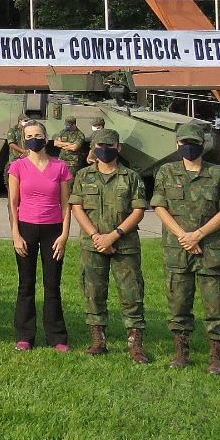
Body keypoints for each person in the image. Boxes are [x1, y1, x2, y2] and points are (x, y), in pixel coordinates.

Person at [151, 123, 220, 375]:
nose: (188, 147)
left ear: (203, 145)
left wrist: (198, 235)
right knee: (178, 302)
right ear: (177, 145)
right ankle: (181, 352)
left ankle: (216, 357)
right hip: (177, 249)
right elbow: (159, 206)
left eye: (194, 143)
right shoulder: (166, 172)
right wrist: (183, 236)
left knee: (217, 304)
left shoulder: (217, 174)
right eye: (183, 142)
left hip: (211, 248)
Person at [70, 128, 150, 363]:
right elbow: (77, 207)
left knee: (131, 293)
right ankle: (98, 340)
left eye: (109, 146)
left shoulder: (131, 177)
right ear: (93, 148)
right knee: (93, 292)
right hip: (92, 244)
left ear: (119, 148)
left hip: (124, 245)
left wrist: (112, 236)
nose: (104, 150)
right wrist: (96, 235)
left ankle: (135, 344)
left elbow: (138, 210)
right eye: (100, 146)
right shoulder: (84, 176)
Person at [8, 119, 72, 352]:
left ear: (46, 138)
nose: (34, 139)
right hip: (25, 228)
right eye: (29, 135)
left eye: (38, 135)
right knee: (26, 284)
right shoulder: (17, 167)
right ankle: (25, 335)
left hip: (53, 230)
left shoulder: (60, 167)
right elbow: (12, 203)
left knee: (52, 284)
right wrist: (15, 234)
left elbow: (66, 205)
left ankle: (56, 336)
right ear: (24, 139)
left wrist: (64, 235)